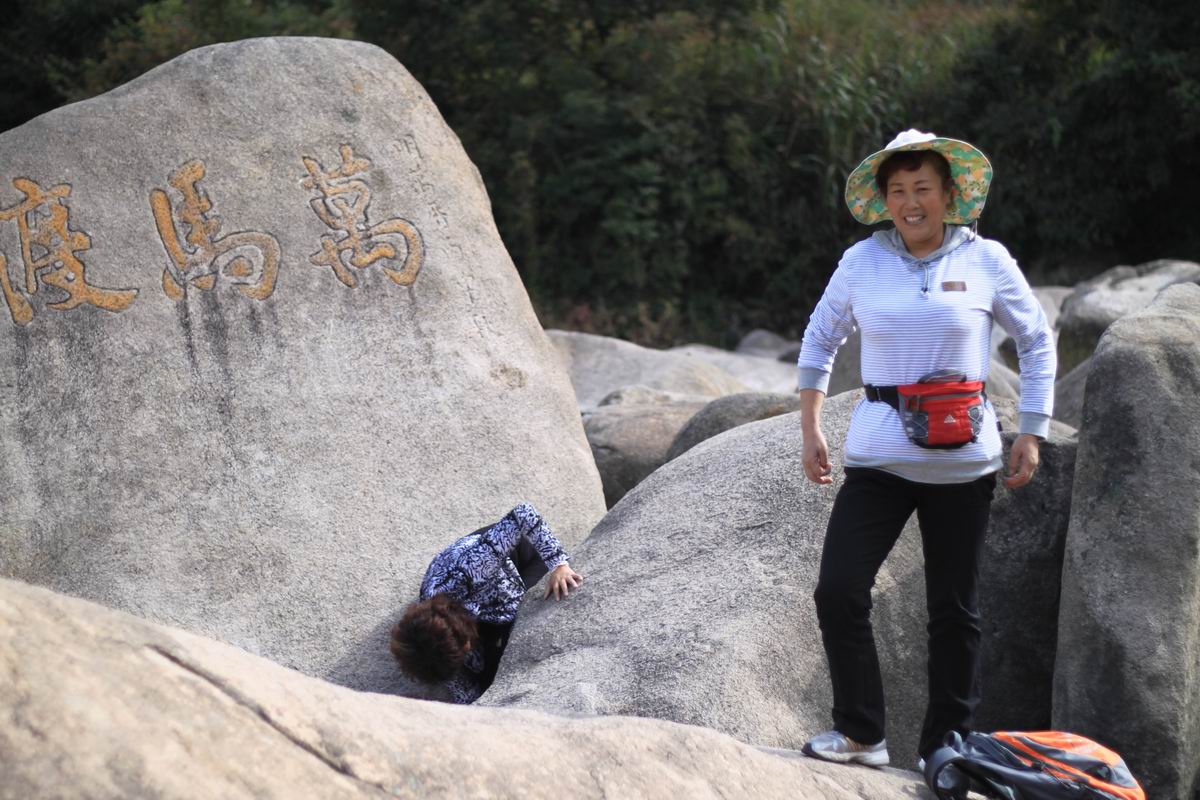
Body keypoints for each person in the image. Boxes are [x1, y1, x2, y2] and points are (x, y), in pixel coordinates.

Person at [797, 130, 1055, 769]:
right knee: (838, 590)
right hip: (879, 456)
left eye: (923, 189)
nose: (911, 202)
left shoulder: (986, 259)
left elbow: (1037, 339)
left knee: (955, 609)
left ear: (948, 195)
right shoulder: (861, 261)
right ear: (884, 200)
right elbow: (819, 338)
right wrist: (810, 425)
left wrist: (1032, 428)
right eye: (898, 191)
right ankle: (861, 732)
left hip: (964, 460)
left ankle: (947, 745)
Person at [389, 502, 583, 703]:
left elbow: (523, 514)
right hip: (482, 603)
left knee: (511, 641)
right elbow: (461, 686)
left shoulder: (470, 568)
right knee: (486, 672)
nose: (466, 652)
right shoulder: (428, 644)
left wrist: (559, 565)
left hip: (521, 560)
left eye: (464, 649)